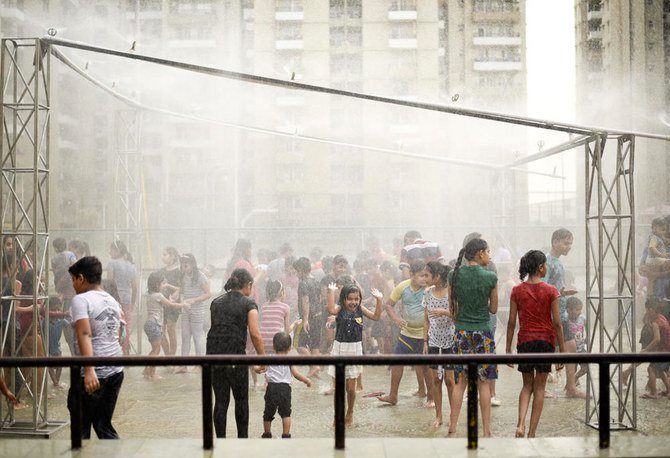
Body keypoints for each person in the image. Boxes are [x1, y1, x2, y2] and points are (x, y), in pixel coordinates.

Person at [506, 250, 566, 438]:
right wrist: (562, 351)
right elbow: (557, 323)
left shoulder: (517, 290)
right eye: (545, 264)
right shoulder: (551, 291)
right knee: (540, 388)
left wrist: (507, 349)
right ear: (541, 267)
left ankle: (520, 424)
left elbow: (511, 322)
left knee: (526, 386)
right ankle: (531, 433)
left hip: (525, 341)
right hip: (545, 342)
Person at [66, 256, 124, 439]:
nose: (73, 285)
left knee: (81, 429)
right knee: (103, 425)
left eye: (73, 280)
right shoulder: (112, 300)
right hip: (116, 370)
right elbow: (119, 334)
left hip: (93, 372)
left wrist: (89, 370)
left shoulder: (81, 300)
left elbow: (84, 334)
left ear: (81, 278)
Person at [447, 238, 498, 438]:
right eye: (488, 251)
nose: (490, 255)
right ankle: (486, 431)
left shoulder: (454, 275)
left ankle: (452, 428)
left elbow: (452, 310)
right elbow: (494, 309)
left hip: (461, 332)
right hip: (483, 332)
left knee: (461, 383)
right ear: (480, 254)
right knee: (484, 383)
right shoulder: (490, 277)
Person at [206, 268, 265, 438]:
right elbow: (255, 334)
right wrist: (263, 359)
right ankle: (242, 441)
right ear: (248, 284)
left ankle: (220, 442)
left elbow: (217, 331)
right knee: (241, 400)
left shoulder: (215, 303)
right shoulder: (249, 304)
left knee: (221, 401)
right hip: (236, 356)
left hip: (214, 357)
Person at [327, 282, 383, 426]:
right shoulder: (339, 309)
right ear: (343, 299)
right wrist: (330, 292)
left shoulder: (360, 309)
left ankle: (350, 412)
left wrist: (379, 300)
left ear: (359, 299)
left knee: (351, 389)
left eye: (356, 299)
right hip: (339, 349)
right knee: (339, 387)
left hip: (355, 349)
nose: (353, 302)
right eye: (350, 299)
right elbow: (331, 309)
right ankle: (337, 414)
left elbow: (376, 317)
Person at [377, 261, 430, 406]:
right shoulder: (403, 287)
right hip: (407, 333)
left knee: (426, 366)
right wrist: (396, 319)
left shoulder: (428, 288)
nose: (424, 279)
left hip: (425, 335)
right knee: (397, 362)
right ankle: (393, 396)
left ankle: (431, 398)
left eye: (426, 275)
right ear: (412, 275)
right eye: (420, 276)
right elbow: (388, 305)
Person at [543, 228, 585, 398]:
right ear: (555, 242)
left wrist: (565, 293)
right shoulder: (547, 262)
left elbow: (554, 288)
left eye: (570, 244)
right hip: (553, 315)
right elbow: (543, 288)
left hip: (561, 313)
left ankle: (570, 386)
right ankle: (542, 387)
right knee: (547, 350)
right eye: (566, 243)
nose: (569, 247)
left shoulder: (558, 262)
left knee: (570, 346)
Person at [259, 332, 311, 438]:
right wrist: (306, 380)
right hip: (285, 389)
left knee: (268, 413)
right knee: (286, 414)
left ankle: (267, 433)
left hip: (272, 388)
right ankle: (286, 434)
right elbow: (296, 374)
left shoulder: (269, 358)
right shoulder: (289, 360)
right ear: (289, 348)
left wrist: (257, 369)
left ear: (273, 346)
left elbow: (260, 368)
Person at [422, 261, 455, 427]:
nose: (424, 278)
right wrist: (425, 341)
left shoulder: (451, 292)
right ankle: (439, 416)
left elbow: (458, 316)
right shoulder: (427, 293)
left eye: (427, 275)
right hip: (433, 340)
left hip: (450, 339)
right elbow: (426, 319)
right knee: (436, 379)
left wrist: (443, 312)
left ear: (437, 276)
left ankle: (452, 416)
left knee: (449, 380)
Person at [143, 271, 189, 380]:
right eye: (162, 283)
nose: (164, 286)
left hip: (149, 324)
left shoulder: (149, 294)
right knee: (156, 351)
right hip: (154, 324)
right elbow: (172, 305)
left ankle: (146, 370)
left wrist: (169, 294)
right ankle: (152, 374)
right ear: (156, 284)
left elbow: (165, 303)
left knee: (154, 350)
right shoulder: (158, 295)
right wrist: (184, 304)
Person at [175, 253, 211, 373]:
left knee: (197, 337)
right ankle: (184, 365)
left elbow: (208, 293)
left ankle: (199, 364)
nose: (184, 266)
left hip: (197, 310)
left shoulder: (200, 276)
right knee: (185, 337)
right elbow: (181, 289)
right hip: (186, 309)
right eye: (182, 264)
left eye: (186, 264)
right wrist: (176, 294)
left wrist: (194, 300)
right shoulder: (182, 275)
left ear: (192, 264)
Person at [293, 257, 325, 378]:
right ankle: (315, 372)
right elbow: (320, 298)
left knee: (297, 344)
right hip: (318, 316)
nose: (296, 274)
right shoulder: (316, 281)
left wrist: (305, 319)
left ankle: (313, 366)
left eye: (297, 271)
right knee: (315, 345)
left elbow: (305, 301)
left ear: (301, 270)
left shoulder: (303, 282)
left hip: (308, 318)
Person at [106, 240, 138, 355]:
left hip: (114, 300)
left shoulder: (112, 264)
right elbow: (135, 287)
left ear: (117, 251)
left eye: (111, 250)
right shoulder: (131, 266)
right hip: (127, 300)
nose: (109, 252)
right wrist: (133, 302)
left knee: (114, 326)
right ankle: (125, 351)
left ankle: (115, 351)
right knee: (126, 326)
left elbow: (109, 283)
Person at [641, 299, 670, 399]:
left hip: (664, 351)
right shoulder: (662, 317)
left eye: (647, 310)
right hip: (667, 349)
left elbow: (657, 339)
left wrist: (646, 349)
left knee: (651, 368)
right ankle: (668, 390)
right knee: (661, 370)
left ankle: (653, 393)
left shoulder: (655, 322)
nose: (646, 312)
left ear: (651, 310)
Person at [160, 247, 182, 360]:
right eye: (162, 254)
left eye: (165, 254)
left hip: (173, 304)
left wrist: (176, 291)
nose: (163, 257)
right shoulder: (161, 271)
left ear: (173, 256)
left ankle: (172, 356)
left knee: (170, 328)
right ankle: (167, 355)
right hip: (162, 303)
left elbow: (182, 287)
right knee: (161, 330)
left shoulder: (179, 271)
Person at [260, 280, 291, 354]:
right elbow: (287, 331)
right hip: (277, 344)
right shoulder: (285, 307)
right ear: (281, 293)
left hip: (263, 343)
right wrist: (295, 324)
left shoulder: (263, 306)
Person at [566, 297, 589, 384]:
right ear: (569, 310)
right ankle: (571, 385)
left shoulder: (582, 318)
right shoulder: (566, 320)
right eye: (577, 309)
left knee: (586, 367)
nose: (580, 312)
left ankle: (576, 377)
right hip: (571, 351)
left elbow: (587, 327)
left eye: (580, 309)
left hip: (581, 348)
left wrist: (587, 338)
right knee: (571, 371)